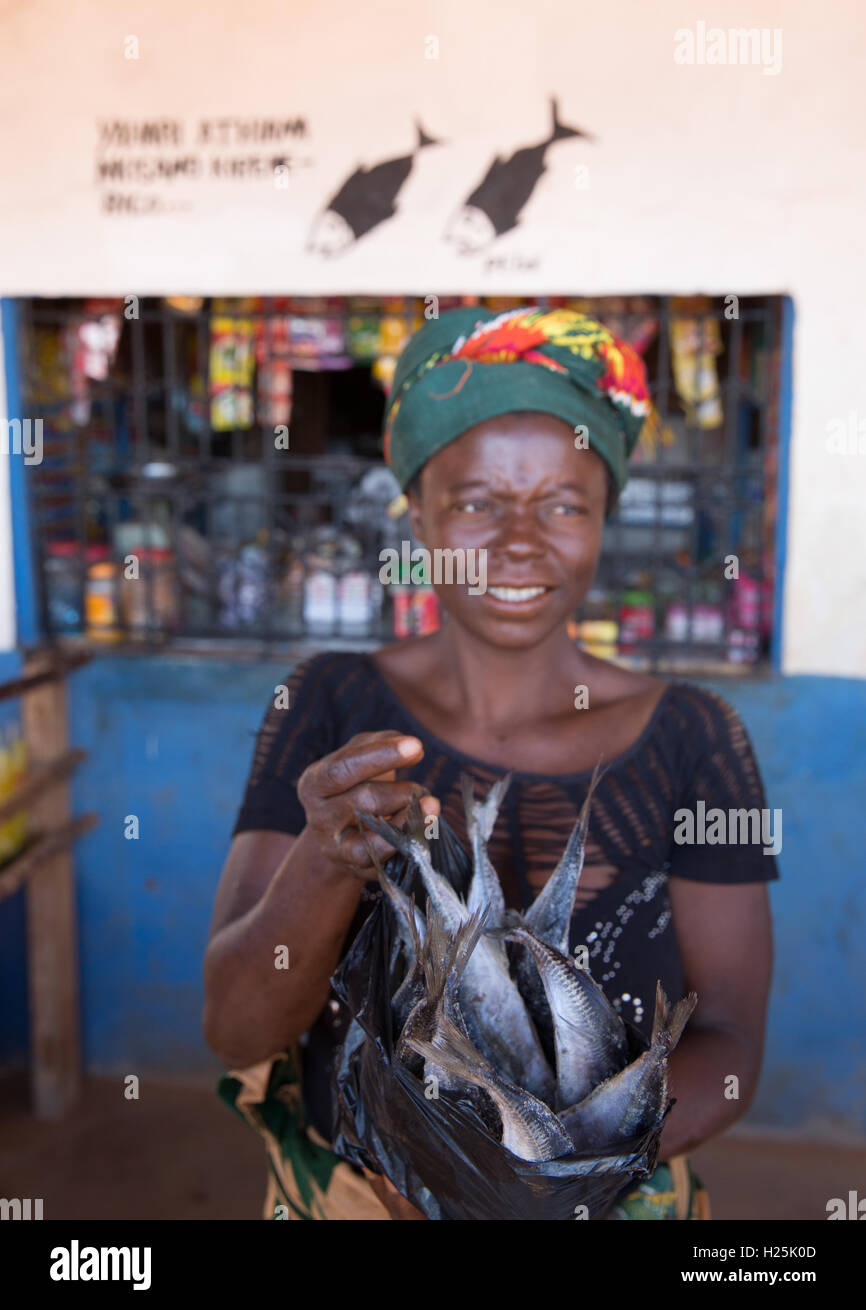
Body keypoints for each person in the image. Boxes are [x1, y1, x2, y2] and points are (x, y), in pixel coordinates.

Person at [203, 305, 777, 1221]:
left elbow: (732, 1044)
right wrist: (324, 861)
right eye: (476, 500)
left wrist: (532, 1181)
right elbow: (235, 1026)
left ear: (602, 521)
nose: (518, 540)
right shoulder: (328, 702)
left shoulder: (698, 738)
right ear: (419, 513)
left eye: (562, 503)